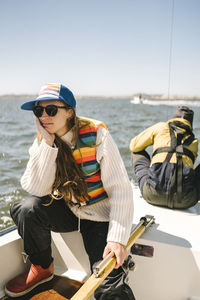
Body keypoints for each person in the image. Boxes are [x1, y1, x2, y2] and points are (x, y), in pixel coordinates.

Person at [5, 83, 135, 300]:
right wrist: (47, 145)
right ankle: (42, 267)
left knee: (108, 282)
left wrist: (117, 238)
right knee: (26, 208)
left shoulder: (96, 133)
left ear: (70, 112)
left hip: (97, 216)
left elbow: (120, 188)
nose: (44, 116)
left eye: (51, 110)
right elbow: (36, 189)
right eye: (39, 111)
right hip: (67, 209)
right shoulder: (43, 139)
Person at [130, 106, 199, 209]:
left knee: (136, 151)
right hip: (186, 200)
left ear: (173, 118)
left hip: (152, 195)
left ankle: (150, 183)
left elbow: (133, 145)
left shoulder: (161, 127)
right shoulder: (194, 141)